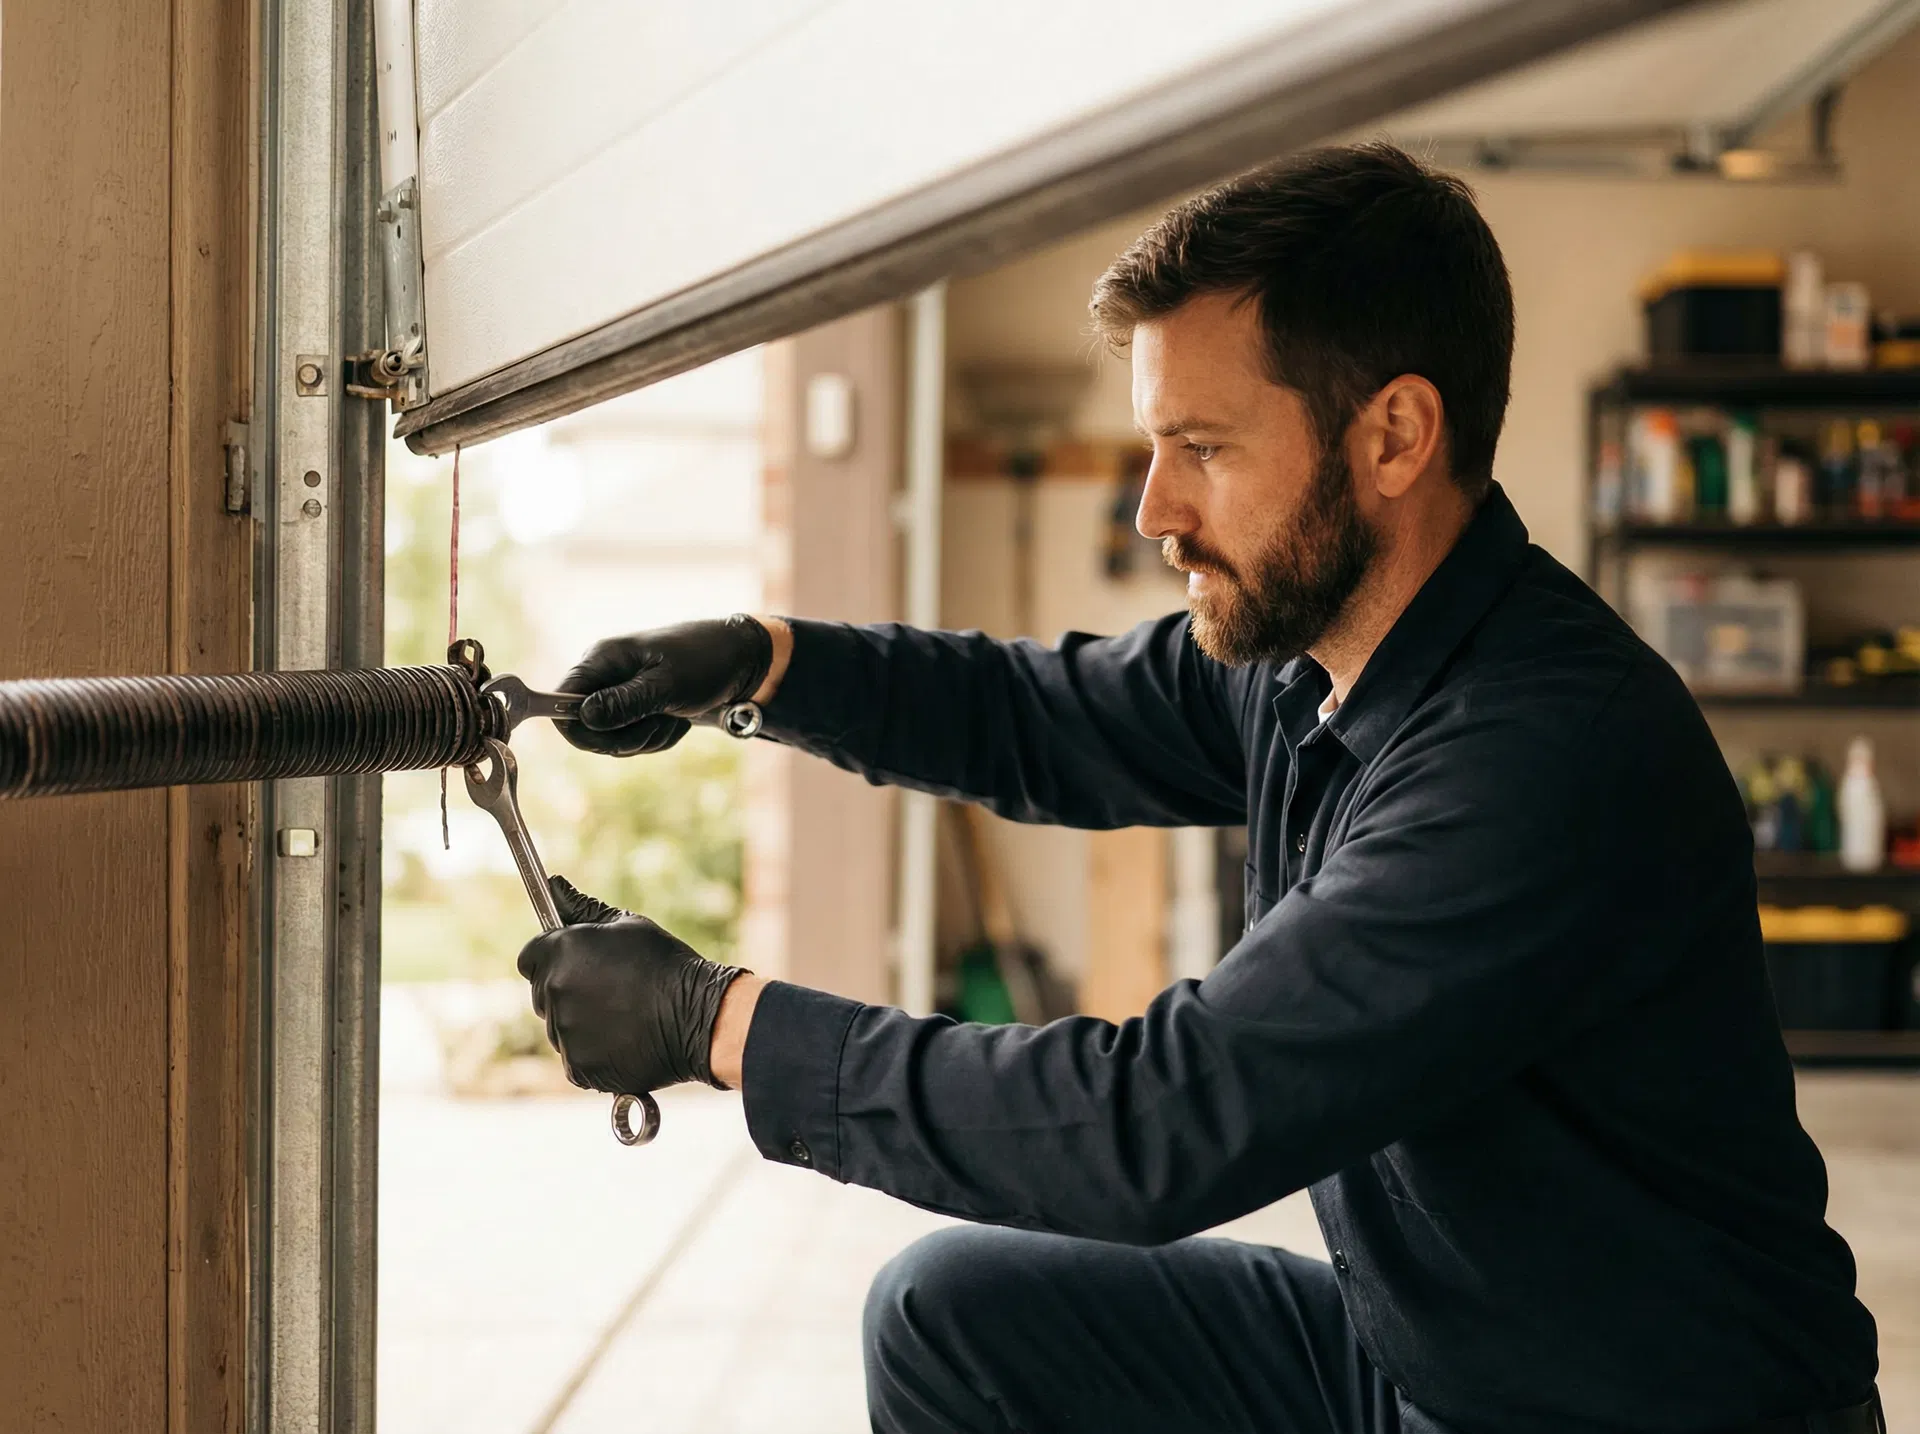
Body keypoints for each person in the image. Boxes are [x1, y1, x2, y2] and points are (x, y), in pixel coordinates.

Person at [520, 143, 1883, 1434]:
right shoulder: (1314, 659)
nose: (1153, 510)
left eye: (1206, 448)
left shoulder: (1541, 757)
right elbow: (1037, 713)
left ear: (1395, 435)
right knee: (952, 1319)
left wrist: (719, 1022)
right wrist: (762, 662)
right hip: (1437, 1359)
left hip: (1636, 1411)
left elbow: (1157, 1127)